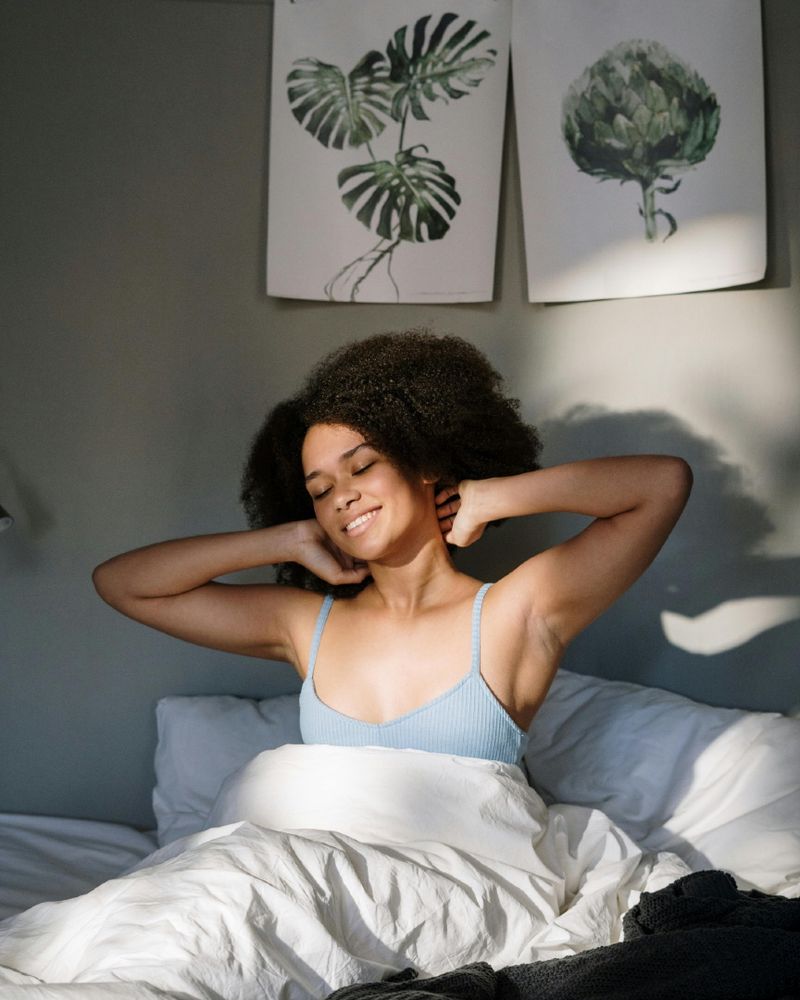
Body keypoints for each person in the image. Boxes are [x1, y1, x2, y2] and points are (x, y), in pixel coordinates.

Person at [93, 330, 692, 766]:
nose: (343, 498)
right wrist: (288, 538)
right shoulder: (307, 626)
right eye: (321, 490)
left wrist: (496, 497)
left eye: (362, 468)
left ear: (424, 461)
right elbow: (123, 583)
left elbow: (661, 484)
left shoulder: (516, 611)